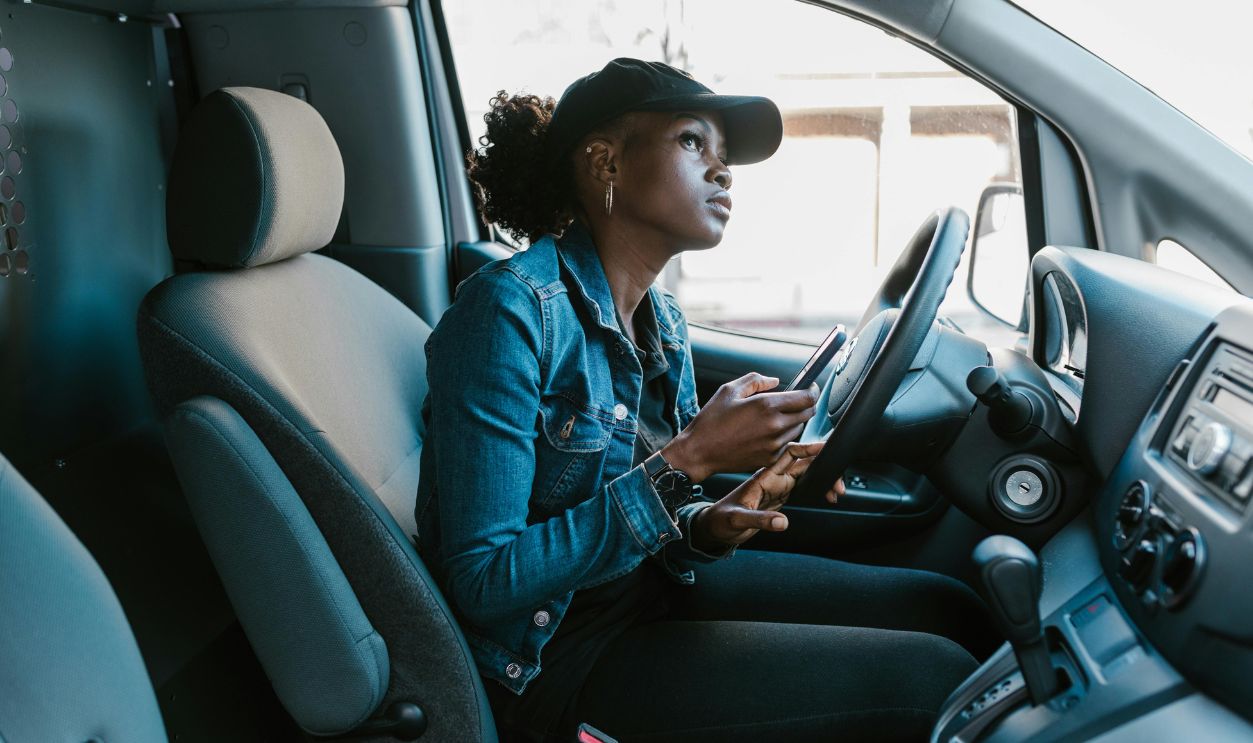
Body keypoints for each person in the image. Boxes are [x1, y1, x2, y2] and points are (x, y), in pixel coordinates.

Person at [416, 58, 995, 743]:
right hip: (551, 661)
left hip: (645, 592)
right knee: (928, 681)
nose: (723, 172)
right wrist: (690, 458)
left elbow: (651, 515)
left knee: (949, 609)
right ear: (604, 161)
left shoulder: (659, 319)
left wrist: (706, 525)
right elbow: (483, 582)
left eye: (725, 158)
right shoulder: (506, 312)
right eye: (693, 142)